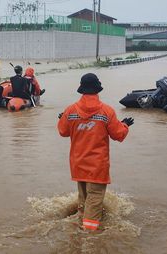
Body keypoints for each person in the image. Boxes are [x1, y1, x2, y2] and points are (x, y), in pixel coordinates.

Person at [57, 73, 133, 231]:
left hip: (78, 164)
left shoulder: (70, 110)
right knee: (95, 200)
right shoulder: (107, 111)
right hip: (97, 166)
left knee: (84, 200)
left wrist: (63, 118)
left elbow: (63, 131)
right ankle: (90, 236)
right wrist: (124, 125)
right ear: (97, 89)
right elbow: (118, 135)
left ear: (82, 89)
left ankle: (80, 225)